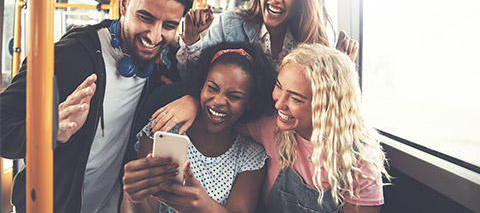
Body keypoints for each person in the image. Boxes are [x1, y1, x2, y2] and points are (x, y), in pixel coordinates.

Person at [0, 0, 194, 213]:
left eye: (169, 25)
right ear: (124, 4)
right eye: (145, 18)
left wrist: (194, 101)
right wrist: (49, 130)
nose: (154, 36)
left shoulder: (157, 64)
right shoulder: (70, 55)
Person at [151, 44, 390, 212]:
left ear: (327, 107)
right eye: (279, 87)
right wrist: (192, 101)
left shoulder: (361, 161)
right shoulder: (271, 128)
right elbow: (223, 110)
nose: (278, 103)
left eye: (296, 99)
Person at [155, 0, 359, 134]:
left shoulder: (313, 44)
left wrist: (340, 70)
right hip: (232, 129)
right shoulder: (230, 24)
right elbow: (197, 78)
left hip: (282, 136)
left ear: (302, 1)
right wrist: (191, 39)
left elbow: (319, 105)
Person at [120, 42, 277, 213]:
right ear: (201, 85)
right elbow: (145, 209)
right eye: (212, 88)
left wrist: (203, 206)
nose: (218, 101)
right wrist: (134, 196)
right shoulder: (163, 130)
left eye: (234, 96)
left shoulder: (250, 155)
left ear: (250, 102)